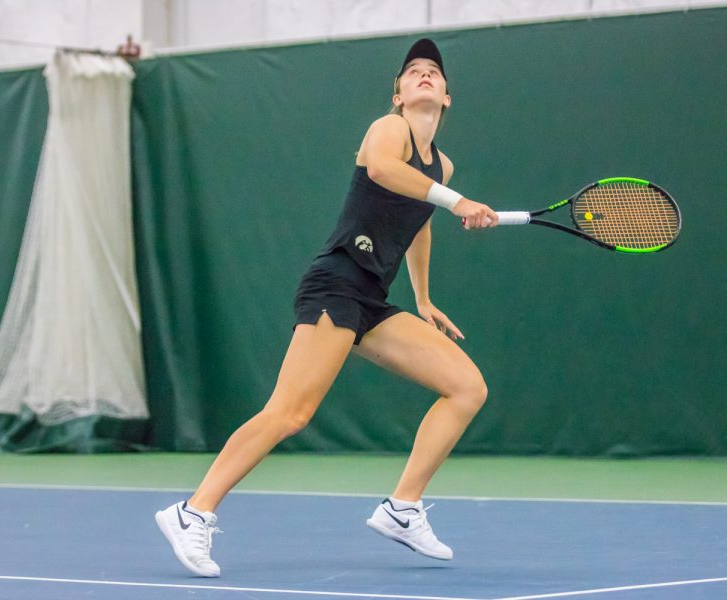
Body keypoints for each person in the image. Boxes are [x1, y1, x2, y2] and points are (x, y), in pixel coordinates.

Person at [155, 38, 498, 577]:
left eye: (434, 71)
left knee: (467, 387)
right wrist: (457, 202)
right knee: (290, 411)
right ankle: (191, 512)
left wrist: (424, 298)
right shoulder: (390, 131)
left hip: (372, 300)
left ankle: (402, 509)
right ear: (399, 95)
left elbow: (417, 224)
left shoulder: (441, 165)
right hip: (336, 283)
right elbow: (385, 172)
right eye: (414, 72)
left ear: (448, 97)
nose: (424, 75)